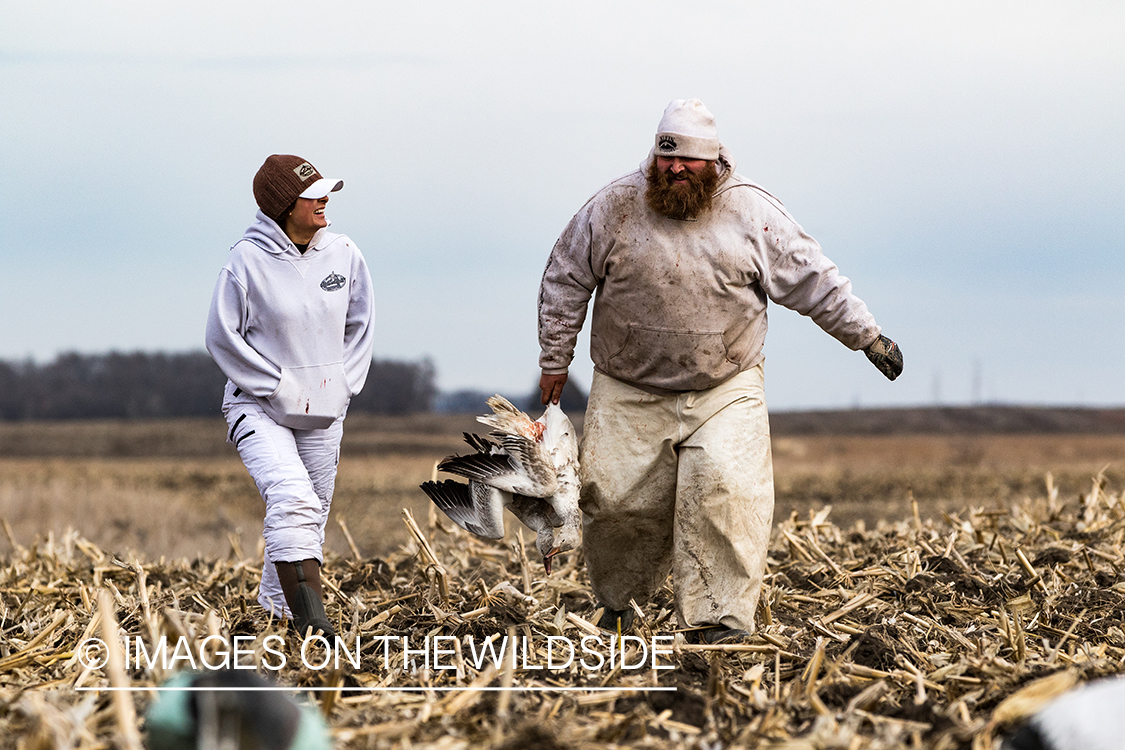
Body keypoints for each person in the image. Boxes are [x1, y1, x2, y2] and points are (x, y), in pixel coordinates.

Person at [537, 99, 902, 644]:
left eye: (686, 160)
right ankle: (619, 606)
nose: (674, 168)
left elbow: (812, 278)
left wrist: (866, 336)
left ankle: (719, 624)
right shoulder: (612, 207)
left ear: (713, 162)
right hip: (627, 384)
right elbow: (565, 279)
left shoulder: (752, 213)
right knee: (614, 504)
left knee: (726, 493)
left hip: (724, 386)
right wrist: (554, 361)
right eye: (666, 157)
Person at [206, 154, 375, 639]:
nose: (324, 201)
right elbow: (222, 337)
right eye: (313, 195)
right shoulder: (246, 260)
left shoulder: (344, 253)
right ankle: (312, 625)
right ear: (283, 205)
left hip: (325, 411)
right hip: (258, 407)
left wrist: (343, 385)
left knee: (310, 513)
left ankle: (277, 619)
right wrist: (277, 387)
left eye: (325, 193)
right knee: (292, 498)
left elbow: (360, 324)